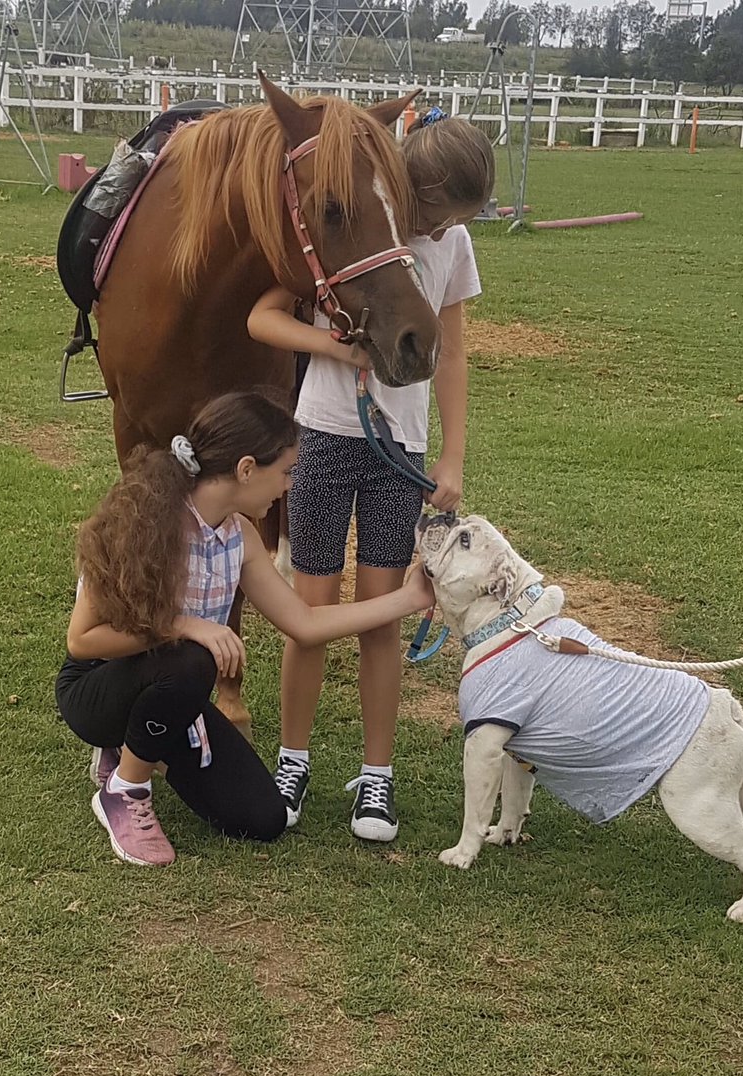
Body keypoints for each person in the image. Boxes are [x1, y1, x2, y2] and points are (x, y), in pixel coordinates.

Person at [245, 111, 495, 843]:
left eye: (454, 221)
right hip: (323, 438)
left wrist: (448, 456)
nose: (441, 229)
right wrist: (337, 348)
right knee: (311, 616)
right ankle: (293, 761)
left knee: (382, 618)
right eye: (435, 213)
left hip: (399, 456)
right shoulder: (352, 225)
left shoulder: (452, 246)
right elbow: (262, 316)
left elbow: (450, 355)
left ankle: (375, 778)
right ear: (408, 185)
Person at [55, 389, 435, 867]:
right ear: (247, 469)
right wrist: (185, 625)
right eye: (286, 473)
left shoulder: (240, 535)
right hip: (96, 689)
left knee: (263, 818)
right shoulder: (143, 519)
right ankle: (125, 787)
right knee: (193, 658)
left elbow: (305, 623)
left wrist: (408, 598)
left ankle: (139, 743)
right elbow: (83, 641)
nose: (289, 487)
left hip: (175, 692)